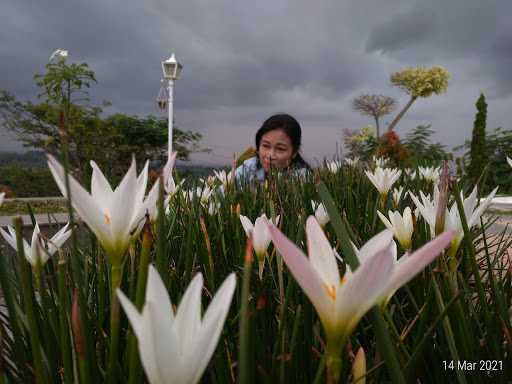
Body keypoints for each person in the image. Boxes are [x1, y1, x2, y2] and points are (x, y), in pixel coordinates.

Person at [235, 114, 311, 183]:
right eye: (265, 146)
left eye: (280, 149)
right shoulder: (249, 168)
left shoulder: (302, 179)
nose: (270, 155)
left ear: (294, 152)